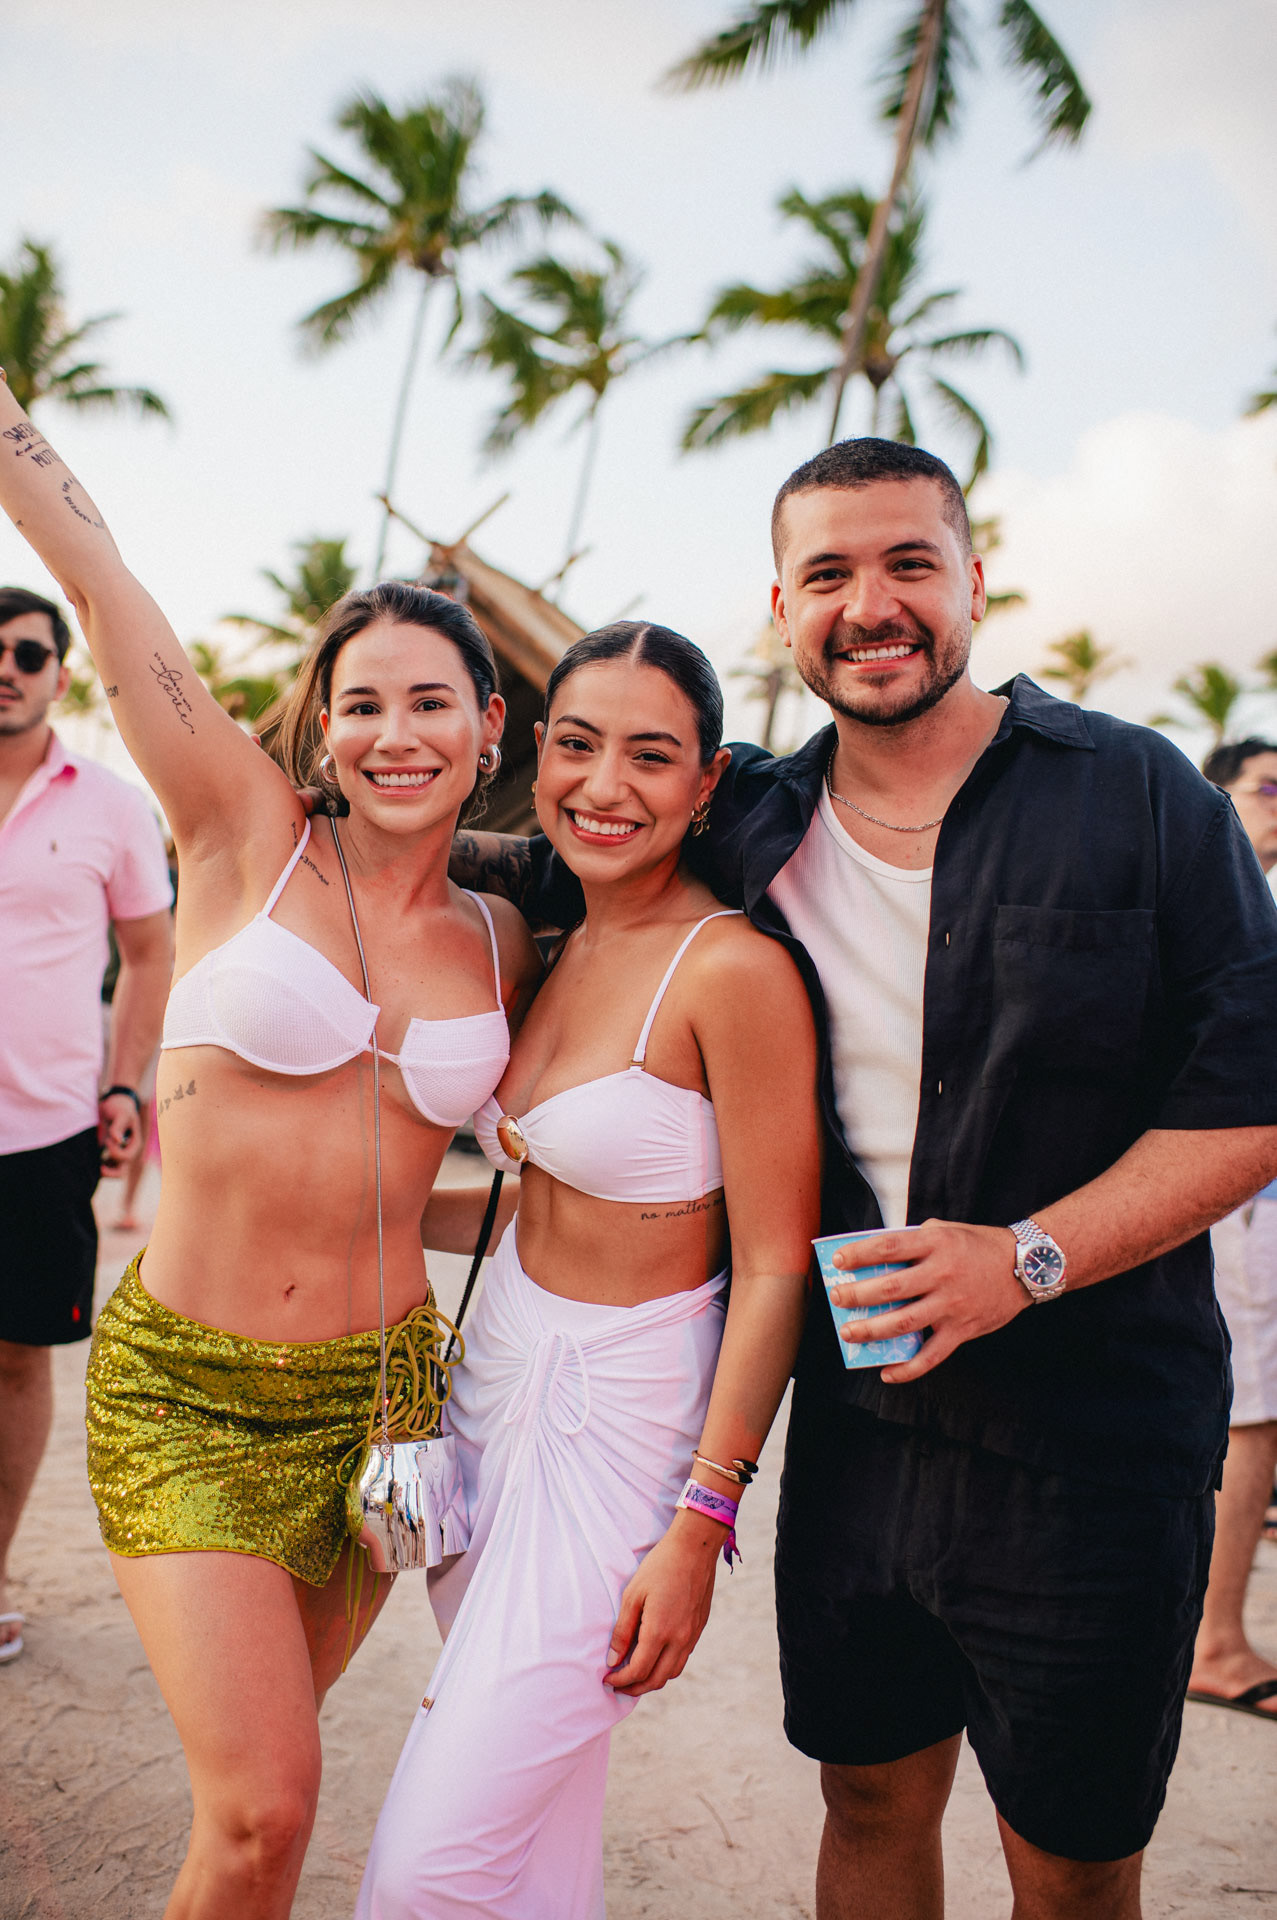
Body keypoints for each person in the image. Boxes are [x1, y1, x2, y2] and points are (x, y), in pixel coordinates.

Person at [453, 440, 1277, 1920]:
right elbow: (550, 851)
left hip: (1092, 1434)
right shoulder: (750, 816)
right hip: (856, 1428)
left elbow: (1251, 1095)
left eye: (908, 562)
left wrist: (1025, 1256)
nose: (870, 603)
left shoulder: (1142, 796)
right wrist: (336, 818)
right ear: (783, 607)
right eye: (827, 572)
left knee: (1072, 1858)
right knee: (868, 1793)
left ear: (973, 582)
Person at [0, 367, 539, 1917]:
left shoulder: (511, 936)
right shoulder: (242, 832)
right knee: (265, 1812)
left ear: (489, 725)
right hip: (189, 1392)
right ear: (322, 721)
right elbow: (97, 578)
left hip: (383, 1405)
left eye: (429, 702)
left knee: (261, 1817)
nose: (393, 733)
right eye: (361, 703)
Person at [357, 622, 821, 1919]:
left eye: (649, 756)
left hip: (617, 1430)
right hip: (492, 1390)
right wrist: (356, 1213)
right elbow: (548, 1196)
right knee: (529, 1847)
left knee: (427, 1873)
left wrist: (702, 1520)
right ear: (535, 752)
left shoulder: (731, 971)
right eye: (576, 744)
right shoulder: (554, 946)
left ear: (707, 781)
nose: (603, 785)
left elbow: (772, 1266)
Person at [0, 584, 173, 1669]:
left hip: (46, 1129)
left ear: (59, 674)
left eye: (28, 653)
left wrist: (124, 1087)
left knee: (18, 1361)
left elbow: (150, 953)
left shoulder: (111, 805)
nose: (5, 668)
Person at [1187, 737, 1277, 1719]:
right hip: (1241, 1201)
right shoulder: (1213, 900)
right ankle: (1213, 1641)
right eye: (1267, 787)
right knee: (1249, 1418)